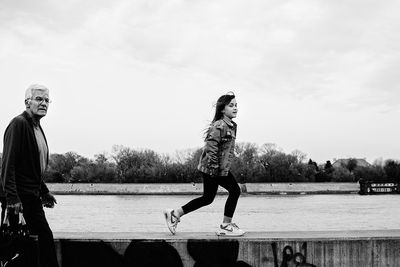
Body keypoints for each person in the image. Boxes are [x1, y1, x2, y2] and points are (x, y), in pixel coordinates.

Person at [163, 92, 244, 236]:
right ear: (222, 109)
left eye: (236, 105)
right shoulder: (219, 126)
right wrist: (214, 169)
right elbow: (211, 147)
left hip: (219, 168)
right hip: (213, 168)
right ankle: (225, 225)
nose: (235, 108)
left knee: (207, 198)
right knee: (235, 190)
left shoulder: (232, 126)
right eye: (231, 105)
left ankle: (175, 213)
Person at [0, 84, 59, 267]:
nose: (44, 103)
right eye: (39, 99)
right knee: (38, 242)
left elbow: (31, 168)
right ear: (27, 102)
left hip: (31, 196)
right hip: (20, 199)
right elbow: (8, 165)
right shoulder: (19, 124)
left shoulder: (36, 127)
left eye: (47, 100)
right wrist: (12, 198)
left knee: (36, 245)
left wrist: (44, 192)